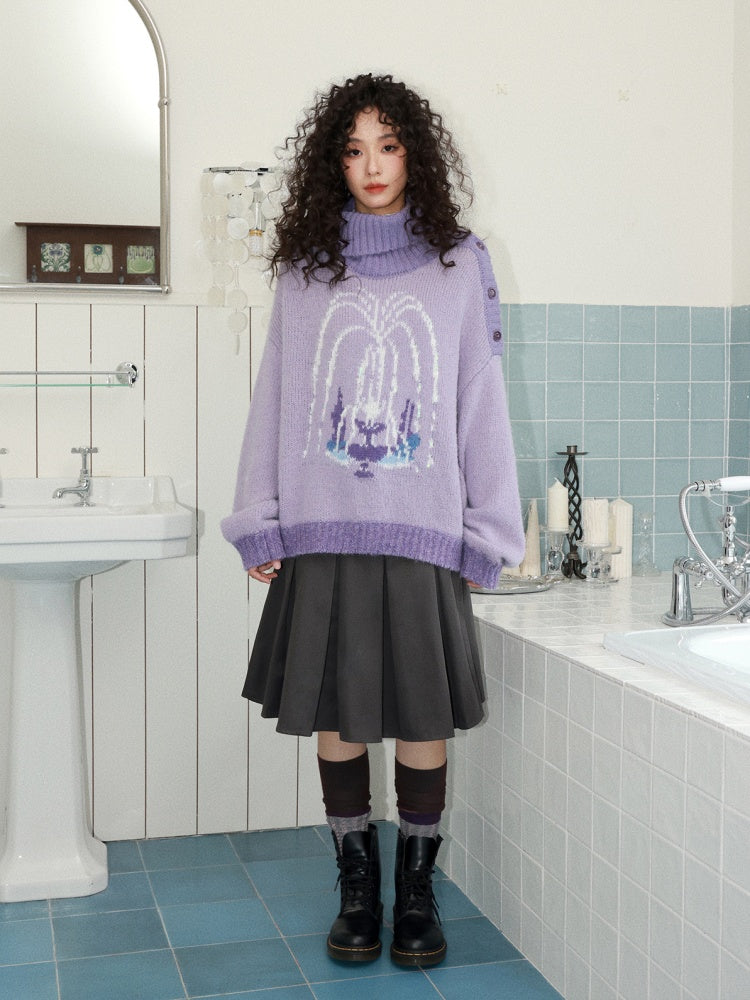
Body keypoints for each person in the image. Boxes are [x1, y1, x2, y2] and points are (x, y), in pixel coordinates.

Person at [221, 72, 524, 969]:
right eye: (354, 150)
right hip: (324, 529)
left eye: (388, 146)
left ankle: (416, 892)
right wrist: (260, 517)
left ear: (414, 153)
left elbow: (479, 397)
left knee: (422, 717)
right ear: (334, 163)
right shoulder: (304, 270)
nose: (373, 165)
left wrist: (490, 530)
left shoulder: (458, 262)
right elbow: (276, 396)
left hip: (422, 530)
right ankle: (358, 888)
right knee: (340, 716)